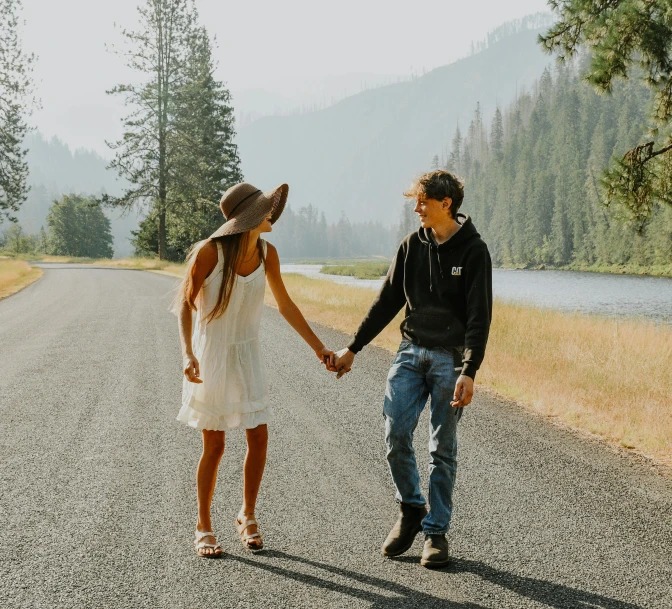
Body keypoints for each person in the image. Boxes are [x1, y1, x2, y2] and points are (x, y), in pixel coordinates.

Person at [334, 170, 492, 568]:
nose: (417, 209)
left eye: (423, 202)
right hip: (409, 353)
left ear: (446, 204)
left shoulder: (474, 251)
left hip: (449, 361)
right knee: (395, 433)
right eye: (415, 202)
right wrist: (354, 347)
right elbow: (386, 300)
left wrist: (469, 370)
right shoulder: (411, 246)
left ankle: (436, 534)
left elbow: (480, 318)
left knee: (442, 448)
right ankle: (411, 509)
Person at [174, 182, 335, 558]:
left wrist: (320, 348)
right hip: (211, 354)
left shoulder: (268, 253)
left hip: (247, 355)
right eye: (265, 209)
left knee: (259, 436)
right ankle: (203, 524)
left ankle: (247, 515)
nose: (271, 215)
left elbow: (286, 305)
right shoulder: (210, 253)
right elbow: (184, 304)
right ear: (249, 218)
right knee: (214, 445)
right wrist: (187, 354)